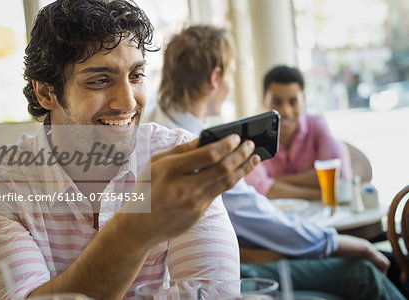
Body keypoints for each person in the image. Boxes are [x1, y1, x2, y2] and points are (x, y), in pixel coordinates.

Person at [0, 1, 260, 299]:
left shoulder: (178, 156)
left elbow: (213, 293)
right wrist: (138, 227)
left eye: (136, 76)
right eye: (100, 80)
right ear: (46, 92)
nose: (128, 103)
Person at [142, 25, 404, 299]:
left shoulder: (154, 126)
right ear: (215, 78)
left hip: (215, 271)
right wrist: (339, 243)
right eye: (230, 74)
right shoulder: (193, 145)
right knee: (364, 272)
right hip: (233, 276)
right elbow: (257, 214)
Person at [244, 65, 352, 200]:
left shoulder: (317, 125)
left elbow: (339, 176)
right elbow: (258, 189)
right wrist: (321, 193)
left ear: (304, 100)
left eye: (293, 102)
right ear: (263, 100)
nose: (285, 111)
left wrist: (278, 181)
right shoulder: (252, 139)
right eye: (277, 102)